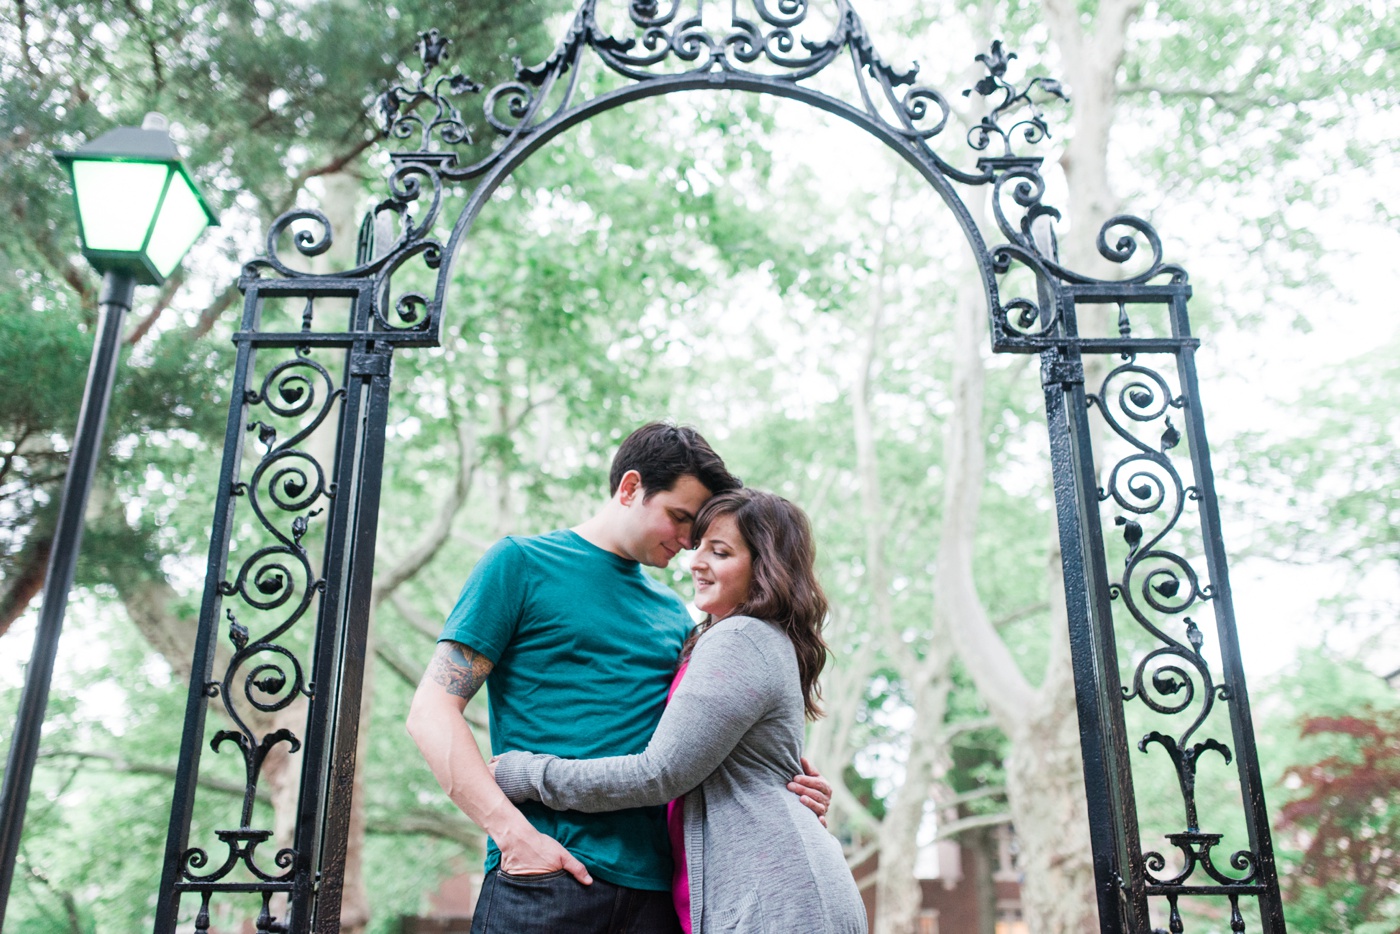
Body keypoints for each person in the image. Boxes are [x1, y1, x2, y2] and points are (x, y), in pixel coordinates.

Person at [406, 423, 832, 934]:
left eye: (698, 532)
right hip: (545, 878)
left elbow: (692, 750)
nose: (686, 543)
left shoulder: (681, 620)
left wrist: (787, 785)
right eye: (678, 518)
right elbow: (431, 712)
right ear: (630, 488)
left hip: (658, 898)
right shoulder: (521, 564)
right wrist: (513, 836)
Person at [491, 488, 867, 934]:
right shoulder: (738, 638)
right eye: (699, 547)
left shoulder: (741, 638)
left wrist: (525, 774)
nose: (695, 563)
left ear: (763, 568)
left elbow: (659, 773)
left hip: (776, 896)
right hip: (771, 890)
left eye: (720, 552)